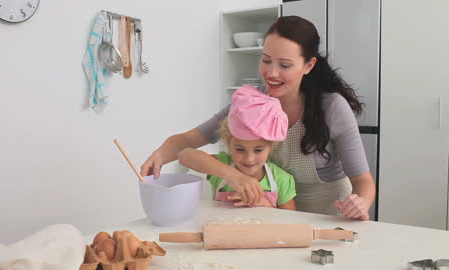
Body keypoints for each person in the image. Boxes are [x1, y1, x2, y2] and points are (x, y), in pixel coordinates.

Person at [141, 16, 375, 220]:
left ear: (308, 65)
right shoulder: (248, 105)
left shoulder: (332, 107)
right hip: (274, 217)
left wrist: (360, 204)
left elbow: (363, 182)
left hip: (328, 218)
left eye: (284, 65)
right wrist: (161, 153)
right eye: (266, 60)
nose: (271, 73)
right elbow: (189, 141)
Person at [178, 85, 297, 210]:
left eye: (258, 150)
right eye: (240, 149)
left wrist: (267, 206)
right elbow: (184, 155)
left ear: (270, 146)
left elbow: (292, 225)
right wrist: (231, 175)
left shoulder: (281, 180)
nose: (249, 158)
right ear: (229, 143)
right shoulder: (223, 165)